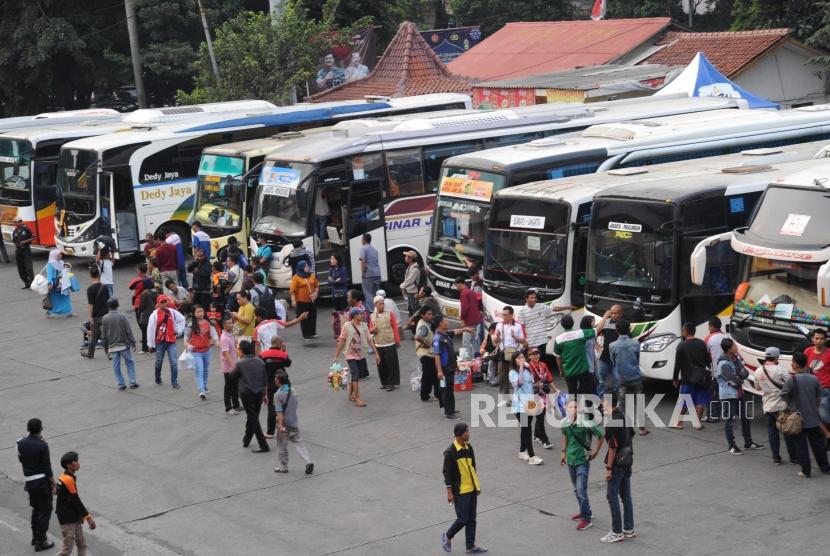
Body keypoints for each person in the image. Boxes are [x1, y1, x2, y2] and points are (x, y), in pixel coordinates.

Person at [781, 352, 830, 477]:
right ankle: (825, 467)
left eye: (792, 361)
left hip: (797, 419)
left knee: (801, 445)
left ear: (796, 364)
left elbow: (784, 396)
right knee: (818, 443)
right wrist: (814, 408)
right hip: (813, 417)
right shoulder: (814, 378)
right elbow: (819, 397)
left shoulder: (791, 379)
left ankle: (806, 471)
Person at [441, 422, 486, 554]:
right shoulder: (450, 452)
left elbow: (473, 467)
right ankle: (448, 536)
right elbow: (446, 472)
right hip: (460, 491)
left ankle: (470, 546)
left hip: (471, 489)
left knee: (472, 518)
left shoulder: (468, 448)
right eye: (467, 431)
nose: (469, 433)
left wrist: (476, 485)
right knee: (463, 518)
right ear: (460, 434)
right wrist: (449, 492)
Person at [560, 399, 604, 531]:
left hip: (582, 460)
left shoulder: (585, 422)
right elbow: (566, 437)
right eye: (570, 407)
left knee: (580, 489)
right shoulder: (565, 423)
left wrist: (595, 451)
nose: (572, 409)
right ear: (566, 409)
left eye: (574, 407)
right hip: (571, 459)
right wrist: (563, 452)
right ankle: (584, 510)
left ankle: (586, 518)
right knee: (576, 489)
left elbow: (600, 435)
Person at [715, 338, 763, 455]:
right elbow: (735, 380)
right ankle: (732, 446)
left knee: (745, 418)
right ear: (729, 349)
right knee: (729, 421)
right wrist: (739, 376)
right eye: (734, 346)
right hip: (728, 396)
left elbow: (745, 374)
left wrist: (739, 375)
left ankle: (748, 442)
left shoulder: (735, 359)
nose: (736, 347)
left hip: (738, 394)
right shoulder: (723, 364)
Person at [17, 418, 56, 552]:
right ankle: (40, 541)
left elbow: (21, 459)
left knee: (36, 509)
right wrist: (54, 484)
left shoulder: (20, 443)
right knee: (45, 511)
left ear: (28, 429)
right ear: (40, 429)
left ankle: (35, 537)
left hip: (30, 482)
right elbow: (47, 467)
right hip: (42, 482)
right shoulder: (42, 445)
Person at [754, 347, 798, 465]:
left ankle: (776, 458)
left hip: (768, 406)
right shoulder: (780, 370)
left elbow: (757, 387)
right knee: (787, 432)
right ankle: (793, 457)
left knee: (772, 432)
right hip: (782, 407)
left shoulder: (758, 371)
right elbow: (792, 384)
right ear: (776, 357)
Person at [601, 395, 636, 544]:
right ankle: (629, 528)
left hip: (617, 463)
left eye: (603, 402)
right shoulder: (623, 415)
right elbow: (632, 434)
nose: (602, 405)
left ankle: (616, 531)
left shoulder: (611, 422)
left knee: (612, 495)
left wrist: (609, 468)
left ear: (609, 403)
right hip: (627, 460)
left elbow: (612, 446)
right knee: (626, 495)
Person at [517, 289, 575, 370]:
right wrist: (524, 341)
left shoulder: (541, 306)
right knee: (531, 363)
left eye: (535, 298)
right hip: (531, 342)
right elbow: (521, 326)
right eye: (531, 298)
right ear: (526, 299)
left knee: (542, 361)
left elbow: (554, 308)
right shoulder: (522, 311)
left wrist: (568, 307)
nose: (534, 299)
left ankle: (542, 379)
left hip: (542, 340)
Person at [333, 307, 379, 407]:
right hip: (350, 354)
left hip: (361, 354)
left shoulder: (364, 326)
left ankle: (350, 395)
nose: (363, 315)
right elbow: (341, 341)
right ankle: (358, 399)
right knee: (355, 375)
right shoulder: (347, 326)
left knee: (358, 375)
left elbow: (369, 340)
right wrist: (336, 356)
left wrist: (376, 353)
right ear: (355, 315)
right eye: (361, 314)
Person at [610, 320, 649, 436]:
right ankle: (642, 429)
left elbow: (613, 362)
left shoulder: (612, 345)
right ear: (629, 329)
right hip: (635, 377)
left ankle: (623, 430)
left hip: (621, 378)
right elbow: (637, 359)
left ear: (616, 330)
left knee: (621, 405)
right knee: (640, 402)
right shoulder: (636, 343)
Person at [230, 340, 270, 453]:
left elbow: (232, 377)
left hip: (247, 394)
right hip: (259, 392)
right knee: (253, 417)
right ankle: (246, 439)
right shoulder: (259, 361)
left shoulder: (240, 363)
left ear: (241, 351)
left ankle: (263, 445)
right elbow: (265, 378)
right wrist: (265, 394)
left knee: (253, 418)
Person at [553, 314, 606, 397]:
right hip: (583, 369)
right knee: (588, 392)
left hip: (569, 372)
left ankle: (575, 408)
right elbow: (597, 329)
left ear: (562, 325)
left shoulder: (558, 339)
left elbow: (558, 358)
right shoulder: (580, 333)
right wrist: (606, 315)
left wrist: (561, 370)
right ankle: (590, 408)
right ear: (573, 323)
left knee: (572, 393)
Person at [273, 369, 314, 474]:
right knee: (299, 442)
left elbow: (279, 411)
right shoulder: (293, 390)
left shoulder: (278, 395)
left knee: (282, 444)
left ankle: (283, 466)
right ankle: (308, 461)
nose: (274, 380)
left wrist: (281, 425)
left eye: (275, 378)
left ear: (279, 381)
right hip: (293, 421)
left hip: (284, 423)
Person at [672, 322, 711, 429]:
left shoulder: (682, 345)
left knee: (684, 400)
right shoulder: (702, 343)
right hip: (701, 377)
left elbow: (677, 364)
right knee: (700, 400)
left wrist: (675, 378)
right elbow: (708, 360)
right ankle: (697, 423)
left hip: (687, 377)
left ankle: (679, 423)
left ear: (685, 332)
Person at [55, 451, 96, 555]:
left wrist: (79, 515)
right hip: (67, 518)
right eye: (76, 462)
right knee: (67, 549)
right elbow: (76, 500)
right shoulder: (67, 479)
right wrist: (88, 517)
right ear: (69, 465)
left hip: (73, 515)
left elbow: (59, 491)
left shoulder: (64, 476)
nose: (78, 464)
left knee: (82, 544)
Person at [434, 315, 471, 420]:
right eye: (445, 321)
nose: (447, 322)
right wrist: (440, 371)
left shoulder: (445, 334)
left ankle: (451, 409)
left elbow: (455, 331)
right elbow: (437, 355)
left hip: (450, 367)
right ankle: (449, 413)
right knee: (446, 390)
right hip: (444, 369)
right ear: (440, 324)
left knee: (450, 389)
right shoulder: (437, 338)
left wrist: (465, 329)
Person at [510, 352, 544, 465]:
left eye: (523, 357)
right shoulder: (513, 373)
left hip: (530, 403)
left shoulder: (528, 370)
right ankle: (532, 456)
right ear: (514, 360)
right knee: (527, 429)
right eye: (519, 358)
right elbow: (520, 383)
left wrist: (538, 386)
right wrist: (520, 368)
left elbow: (529, 384)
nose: (521, 359)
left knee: (525, 428)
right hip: (520, 405)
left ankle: (521, 451)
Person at [147, 295, 186, 388]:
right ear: (158, 303)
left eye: (165, 302)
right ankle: (158, 377)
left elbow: (182, 319)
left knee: (173, 362)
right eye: (162, 302)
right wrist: (150, 344)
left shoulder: (172, 312)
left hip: (171, 340)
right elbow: (151, 329)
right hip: (159, 341)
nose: (164, 304)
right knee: (159, 361)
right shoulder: (154, 315)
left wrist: (179, 331)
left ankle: (174, 382)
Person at [101, 297, 138, 391]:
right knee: (129, 362)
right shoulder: (122, 316)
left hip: (112, 346)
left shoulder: (105, 318)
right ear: (117, 305)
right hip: (123, 344)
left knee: (116, 366)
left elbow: (104, 335)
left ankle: (120, 384)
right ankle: (132, 382)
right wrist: (133, 342)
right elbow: (128, 330)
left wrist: (105, 348)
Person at [260, 336, 292, 438]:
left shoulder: (263, 355)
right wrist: (284, 351)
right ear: (279, 344)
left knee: (271, 407)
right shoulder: (283, 354)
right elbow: (288, 364)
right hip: (283, 384)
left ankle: (270, 432)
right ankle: (285, 427)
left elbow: (260, 367)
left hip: (270, 384)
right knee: (285, 405)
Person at [186, 305, 219, 400]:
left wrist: (217, 341)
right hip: (196, 352)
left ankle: (204, 386)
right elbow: (186, 336)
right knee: (199, 370)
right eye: (198, 312)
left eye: (201, 311)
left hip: (207, 350)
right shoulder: (191, 325)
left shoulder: (208, 323)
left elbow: (214, 334)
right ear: (194, 314)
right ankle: (201, 390)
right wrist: (186, 344)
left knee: (205, 369)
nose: (200, 313)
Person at [494, 306, 527, 400]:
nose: (503, 316)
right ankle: (505, 399)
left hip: (514, 354)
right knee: (502, 377)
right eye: (503, 314)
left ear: (512, 315)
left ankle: (518, 398)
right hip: (502, 353)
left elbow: (523, 341)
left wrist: (515, 337)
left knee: (516, 377)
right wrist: (497, 337)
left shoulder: (518, 325)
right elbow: (496, 341)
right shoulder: (499, 325)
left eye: (506, 315)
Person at [371, 295, 401, 391]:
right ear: (375, 305)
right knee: (381, 365)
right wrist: (372, 330)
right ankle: (384, 382)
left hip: (389, 343)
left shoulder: (390, 314)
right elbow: (369, 330)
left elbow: (395, 328)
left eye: (383, 304)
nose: (382, 306)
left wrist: (397, 340)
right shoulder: (372, 316)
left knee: (391, 364)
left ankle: (391, 383)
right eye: (380, 304)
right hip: (378, 344)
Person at [528, 347, 555, 449]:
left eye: (537, 353)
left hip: (542, 394)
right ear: (529, 356)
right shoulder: (528, 367)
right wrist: (536, 384)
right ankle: (545, 441)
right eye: (533, 354)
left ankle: (536, 435)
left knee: (540, 416)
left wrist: (556, 390)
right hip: (531, 395)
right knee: (539, 417)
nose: (536, 355)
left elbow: (550, 378)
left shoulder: (543, 365)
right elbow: (526, 383)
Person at [704, 316, 729, 422]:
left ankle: (713, 416)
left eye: (709, 325)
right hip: (727, 371)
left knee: (710, 394)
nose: (708, 327)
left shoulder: (708, 338)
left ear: (712, 326)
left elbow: (705, 355)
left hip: (713, 372)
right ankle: (726, 414)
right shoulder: (727, 337)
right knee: (723, 394)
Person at [803, 328, 830, 428]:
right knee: (811, 414)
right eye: (817, 338)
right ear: (812, 339)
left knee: (824, 415)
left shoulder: (829, 352)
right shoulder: (808, 351)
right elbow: (804, 368)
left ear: (825, 340)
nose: (819, 341)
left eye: (821, 339)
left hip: (824, 389)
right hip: (810, 388)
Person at [82, 265, 109, 358]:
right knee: (104, 335)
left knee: (94, 336)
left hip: (96, 316)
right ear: (99, 275)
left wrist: (90, 317)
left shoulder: (90, 289)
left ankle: (90, 353)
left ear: (91, 275)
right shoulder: (104, 287)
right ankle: (108, 353)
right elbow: (108, 300)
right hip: (105, 314)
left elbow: (90, 304)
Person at [596, 305, 623, 397]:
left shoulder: (624, 324)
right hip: (604, 357)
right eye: (612, 313)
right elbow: (596, 332)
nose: (613, 315)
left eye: (616, 313)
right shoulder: (606, 322)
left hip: (617, 360)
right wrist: (604, 317)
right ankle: (599, 399)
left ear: (621, 313)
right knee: (600, 380)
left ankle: (615, 401)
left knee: (617, 382)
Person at [415, 305, 440, 402]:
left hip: (428, 353)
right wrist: (428, 344)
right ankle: (425, 395)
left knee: (429, 375)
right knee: (428, 375)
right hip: (425, 354)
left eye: (431, 314)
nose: (430, 316)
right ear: (422, 315)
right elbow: (418, 337)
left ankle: (430, 394)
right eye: (428, 314)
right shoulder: (423, 326)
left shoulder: (425, 323)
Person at [290, 260, 319, 342]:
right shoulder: (296, 277)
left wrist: (316, 292)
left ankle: (312, 332)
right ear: (301, 268)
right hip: (302, 301)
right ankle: (306, 334)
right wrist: (293, 300)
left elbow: (317, 285)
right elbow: (292, 290)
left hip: (312, 300)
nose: (307, 267)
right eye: (305, 266)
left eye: (307, 266)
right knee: (304, 318)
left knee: (313, 316)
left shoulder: (311, 275)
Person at [456, 277, 483, 355]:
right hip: (476, 319)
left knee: (466, 342)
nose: (456, 287)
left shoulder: (464, 293)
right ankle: (477, 357)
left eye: (456, 285)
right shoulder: (471, 292)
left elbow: (465, 308)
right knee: (473, 340)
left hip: (469, 321)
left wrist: (462, 319)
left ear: (459, 284)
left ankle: (467, 360)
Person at [219, 318, 241, 415]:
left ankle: (236, 405)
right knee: (228, 387)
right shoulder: (224, 337)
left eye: (231, 322)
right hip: (229, 367)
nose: (231, 324)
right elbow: (226, 353)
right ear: (224, 325)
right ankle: (228, 407)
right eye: (229, 323)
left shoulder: (231, 335)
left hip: (234, 365)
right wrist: (233, 365)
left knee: (235, 386)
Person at [45, 249, 74, 318]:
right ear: (54, 255)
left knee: (65, 295)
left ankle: (68, 311)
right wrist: (50, 283)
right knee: (53, 298)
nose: (61, 256)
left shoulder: (61, 262)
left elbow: (64, 271)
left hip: (62, 281)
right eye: (59, 254)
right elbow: (49, 274)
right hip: (54, 283)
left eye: (61, 254)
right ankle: (49, 311)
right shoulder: (50, 264)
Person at [137, 280, 159, 353]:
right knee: (152, 331)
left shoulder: (144, 293)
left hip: (145, 315)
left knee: (145, 332)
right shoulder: (154, 292)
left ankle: (145, 348)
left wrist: (139, 311)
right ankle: (153, 346)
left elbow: (142, 305)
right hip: (153, 313)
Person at [12, 216, 35, 288]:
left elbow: (33, 237)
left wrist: (25, 241)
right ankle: (26, 283)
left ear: (20, 222)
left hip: (26, 249)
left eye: (17, 221)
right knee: (20, 268)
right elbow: (14, 241)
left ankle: (32, 283)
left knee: (29, 268)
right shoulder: (15, 231)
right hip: (18, 251)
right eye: (15, 222)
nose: (16, 223)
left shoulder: (26, 229)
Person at [359, 233, 381, 302]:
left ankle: (371, 311)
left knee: (368, 293)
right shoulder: (375, 250)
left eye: (362, 239)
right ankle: (378, 309)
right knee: (376, 294)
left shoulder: (363, 248)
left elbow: (363, 262)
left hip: (368, 275)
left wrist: (363, 273)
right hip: (377, 274)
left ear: (364, 240)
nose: (361, 241)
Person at [400, 250, 421, 316]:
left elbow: (409, 280)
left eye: (407, 256)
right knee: (411, 309)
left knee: (414, 309)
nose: (405, 257)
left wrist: (402, 286)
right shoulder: (410, 266)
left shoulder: (415, 269)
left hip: (413, 292)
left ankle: (416, 323)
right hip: (410, 290)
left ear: (411, 259)